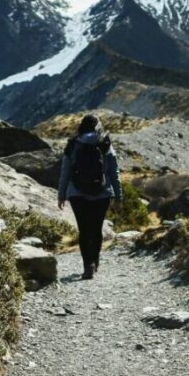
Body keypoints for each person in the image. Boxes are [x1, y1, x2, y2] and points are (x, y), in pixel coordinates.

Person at [57, 114, 122, 280]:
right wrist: (118, 195)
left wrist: (61, 194)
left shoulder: (73, 144)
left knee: (84, 230)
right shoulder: (105, 143)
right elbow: (114, 172)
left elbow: (65, 172)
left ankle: (88, 266)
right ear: (97, 126)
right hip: (102, 193)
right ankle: (95, 260)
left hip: (77, 194)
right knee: (96, 229)